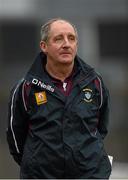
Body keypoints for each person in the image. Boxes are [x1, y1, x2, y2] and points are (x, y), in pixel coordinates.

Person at [6, 18, 112, 179]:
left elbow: (101, 127)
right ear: (44, 46)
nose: (66, 44)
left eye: (71, 38)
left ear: (76, 44)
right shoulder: (26, 87)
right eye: (58, 39)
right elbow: (15, 136)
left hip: (90, 174)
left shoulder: (95, 82)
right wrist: (35, 162)